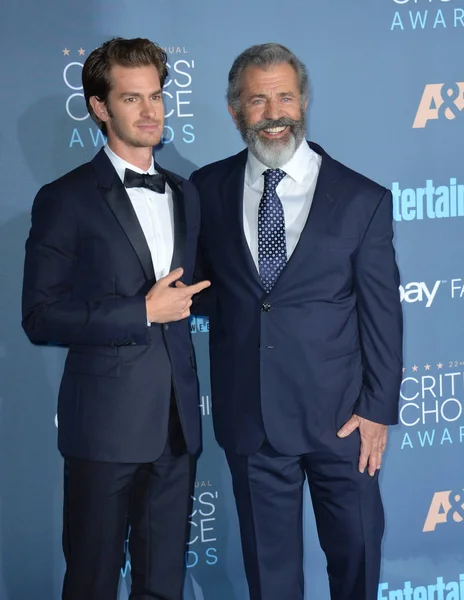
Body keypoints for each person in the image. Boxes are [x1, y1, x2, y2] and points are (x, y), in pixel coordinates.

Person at [191, 43, 403, 600]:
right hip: (253, 423)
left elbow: (382, 314)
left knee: (356, 562)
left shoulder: (363, 199)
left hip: (344, 424)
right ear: (236, 110)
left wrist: (378, 409)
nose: (274, 112)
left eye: (285, 96)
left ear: (304, 102)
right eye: (258, 100)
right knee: (271, 581)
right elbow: (204, 289)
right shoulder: (206, 191)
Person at [22, 37, 210, 600]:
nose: (151, 111)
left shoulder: (185, 192)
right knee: (92, 582)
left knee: (163, 586)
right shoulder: (65, 198)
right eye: (133, 99)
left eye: (156, 96)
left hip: (177, 428)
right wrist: (141, 311)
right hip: (102, 431)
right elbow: (40, 315)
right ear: (101, 108)